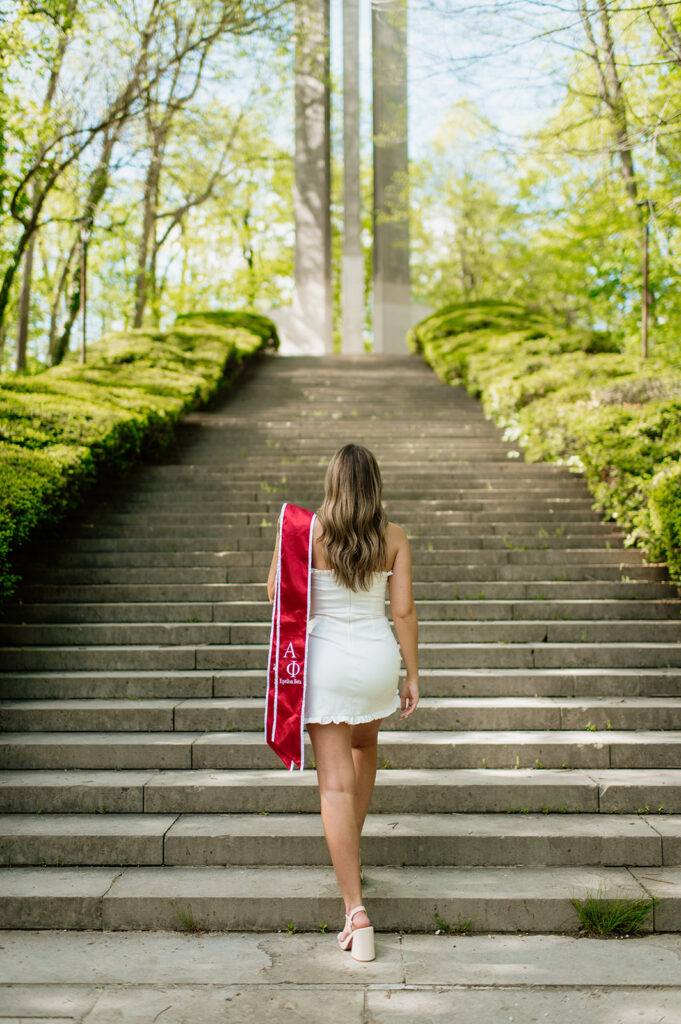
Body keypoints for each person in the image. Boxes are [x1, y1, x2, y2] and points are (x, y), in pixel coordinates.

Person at [267, 443, 419, 962]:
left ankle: (356, 911)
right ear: (375, 484)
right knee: (365, 747)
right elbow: (403, 613)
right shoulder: (394, 537)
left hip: (325, 661)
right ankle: (348, 851)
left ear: (332, 484)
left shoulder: (302, 532)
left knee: (334, 783)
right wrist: (413, 675)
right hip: (377, 660)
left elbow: (274, 593)